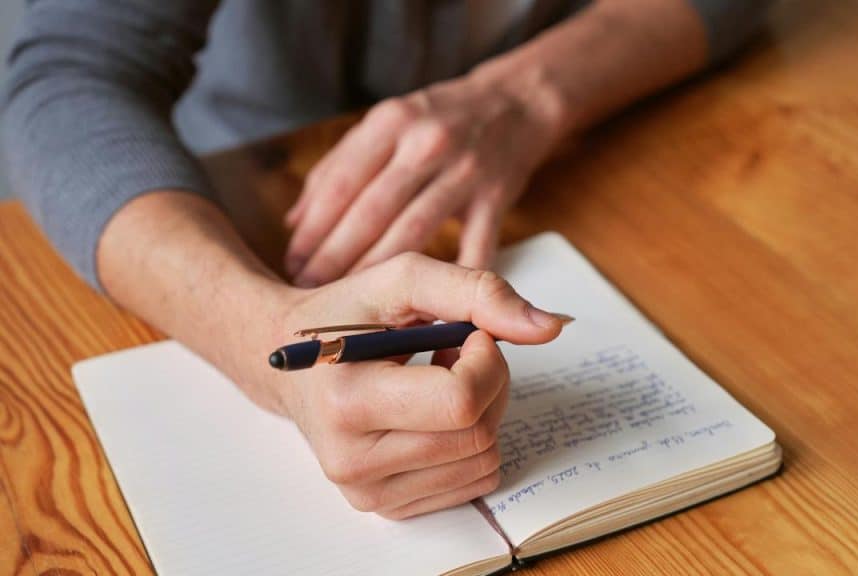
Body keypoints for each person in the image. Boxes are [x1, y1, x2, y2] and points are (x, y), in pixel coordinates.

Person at [1, 0, 770, 518]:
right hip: (251, 197)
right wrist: (257, 330)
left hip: (616, 162)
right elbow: (61, 79)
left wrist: (531, 94)